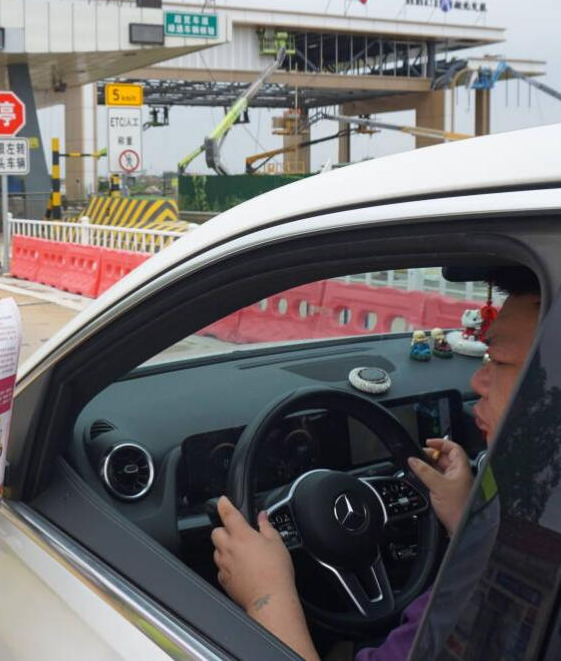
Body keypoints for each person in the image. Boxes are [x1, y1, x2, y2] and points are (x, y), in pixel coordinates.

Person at [211, 272, 542, 661]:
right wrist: (465, 522)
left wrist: (266, 595)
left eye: (498, 360)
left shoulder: (495, 565)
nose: (478, 380)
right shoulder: (544, 520)